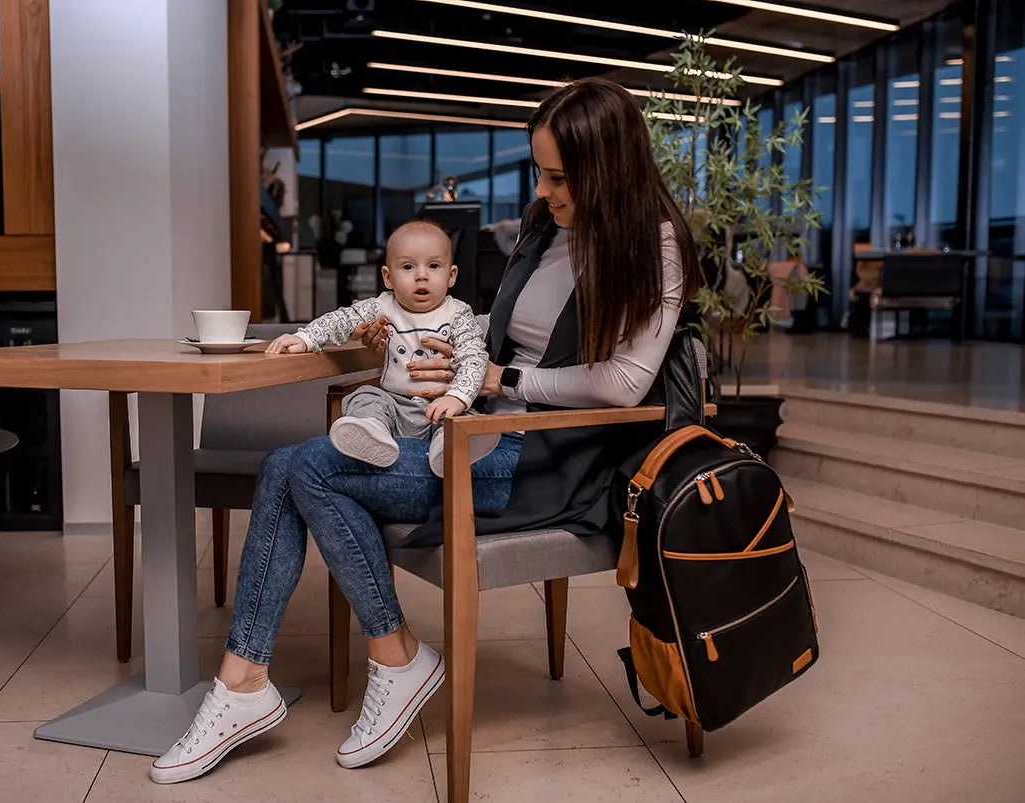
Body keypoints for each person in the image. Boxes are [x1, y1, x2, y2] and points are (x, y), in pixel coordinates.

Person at [149, 76, 700, 786]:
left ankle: (308, 673)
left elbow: (624, 383)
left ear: (607, 169)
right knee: (295, 468)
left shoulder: (653, 245)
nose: (543, 190)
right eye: (539, 171)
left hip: (548, 456)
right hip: (470, 428)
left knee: (297, 469)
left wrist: (504, 381)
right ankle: (321, 667)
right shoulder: (548, 227)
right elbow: (485, 328)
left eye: (560, 177)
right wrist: (410, 332)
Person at [264, 219, 499, 478]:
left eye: (433, 266)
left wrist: (457, 397)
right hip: (394, 403)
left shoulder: (458, 313)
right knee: (365, 396)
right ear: (388, 277)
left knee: (461, 416)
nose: (422, 275)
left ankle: (449, 448)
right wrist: (306, 337)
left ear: (451, 275)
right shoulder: (381, 306)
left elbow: (473, 357)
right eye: (408, 267)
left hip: (440, 404)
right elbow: (342, 320)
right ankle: (372, 433)